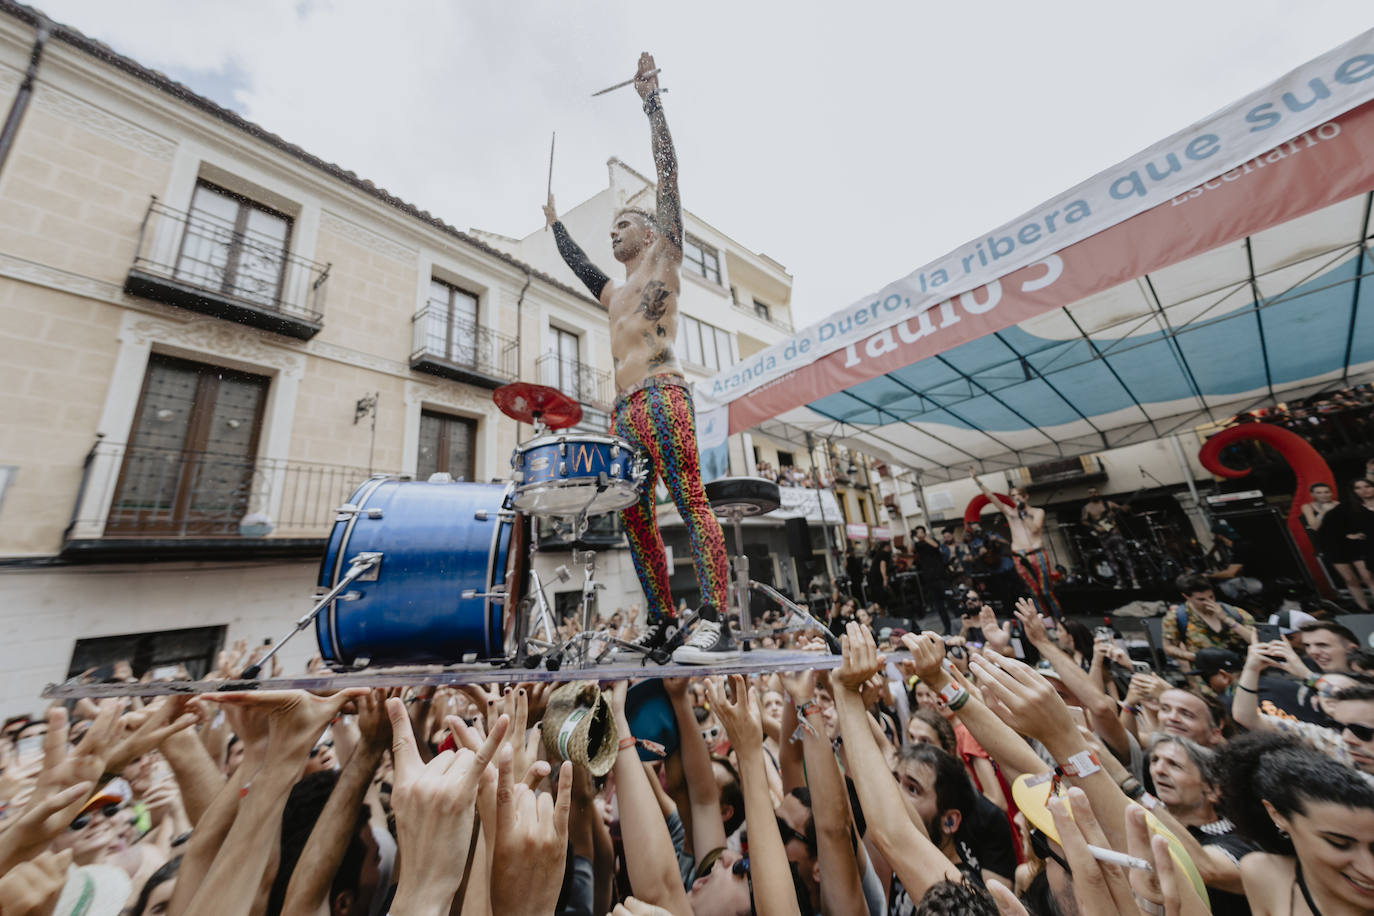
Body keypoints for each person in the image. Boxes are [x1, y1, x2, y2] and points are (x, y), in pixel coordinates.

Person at [543, 53, 732, 664]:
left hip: (664, 395)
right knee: (635, 519)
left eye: (622, 223)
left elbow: (668, 173)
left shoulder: (664, 259)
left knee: (690, 501)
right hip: (625, 412)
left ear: (650, 233)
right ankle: (663, 618)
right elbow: (579, 264)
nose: (613, 233)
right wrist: (553, 227)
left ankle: (715, 618)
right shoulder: (613, 292)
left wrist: (652, 102)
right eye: (612, 228)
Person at [969, 469, 1062, 619]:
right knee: (1034, 592)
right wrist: (977, 480)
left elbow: (1034, 529)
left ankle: (1059, 620)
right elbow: (991, 497)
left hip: (1036, 553)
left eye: (1017, 496)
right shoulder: (1010, 513)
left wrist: (1022, 513)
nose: (1015, 499)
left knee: (1046, 590)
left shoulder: (1038, 512)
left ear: (1026, 497)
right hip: (1019, 555)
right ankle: (1046, 621)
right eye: (1012, 496)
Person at [1302, 482, 1374, 610]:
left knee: (1367, 576)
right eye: (1319, 492)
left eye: (1326, 492)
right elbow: (1314, 526)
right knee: (1349, 579)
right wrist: (1323, 512)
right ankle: (1364, 608)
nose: (1323, 495)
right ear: (1312, 494)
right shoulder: (1308, 507)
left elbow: (1350, 524)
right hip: (1332, 546)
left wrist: (1351, 535)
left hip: (1352, 544)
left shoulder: (1341, 505)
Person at [1161, 573, 1257, 668]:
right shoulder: (1177, 617)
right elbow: (1168, 647)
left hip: (1240, 670)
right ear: (1187, 597)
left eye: (1211, 597)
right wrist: (1197, 657)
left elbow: (1257, 641)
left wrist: (1227, 620)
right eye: (1201, 599)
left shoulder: (1234, 612)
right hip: (1206, 674)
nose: (1208, 602)